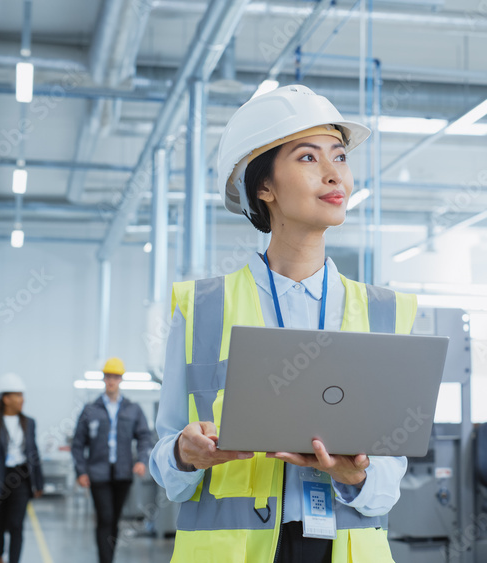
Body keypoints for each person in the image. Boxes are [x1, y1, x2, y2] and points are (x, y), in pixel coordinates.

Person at [150, 84, 417, 563]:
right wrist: (184, 454)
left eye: (340, 156)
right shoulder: (202, 308)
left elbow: (388, 484)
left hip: (345, 547)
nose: (335, 173)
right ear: (264, 187)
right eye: (309, 159)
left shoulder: (385, 312)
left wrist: (358, 476)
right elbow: (166, 460)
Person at [71, 357, 154, 563]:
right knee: (105, 518)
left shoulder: (132, 409)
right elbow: (78, 444)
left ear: (121, 379)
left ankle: (109, 558)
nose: (111, 381)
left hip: (123, 473)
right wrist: (81, 471)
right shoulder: (90, 410)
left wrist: (142, 460)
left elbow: (145, 436)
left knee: (114, 520)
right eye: (108, 376)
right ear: (103, 379)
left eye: (115, 377)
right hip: (98, 473)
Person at [0, 372, 44, 563]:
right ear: (6, 398)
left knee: (16, 524)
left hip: (21, 477)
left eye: (22, 395)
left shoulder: (29, 423)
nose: (22, 399)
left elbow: (34, 453)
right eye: (17, 395)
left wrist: (39, 483)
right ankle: (0, 556)